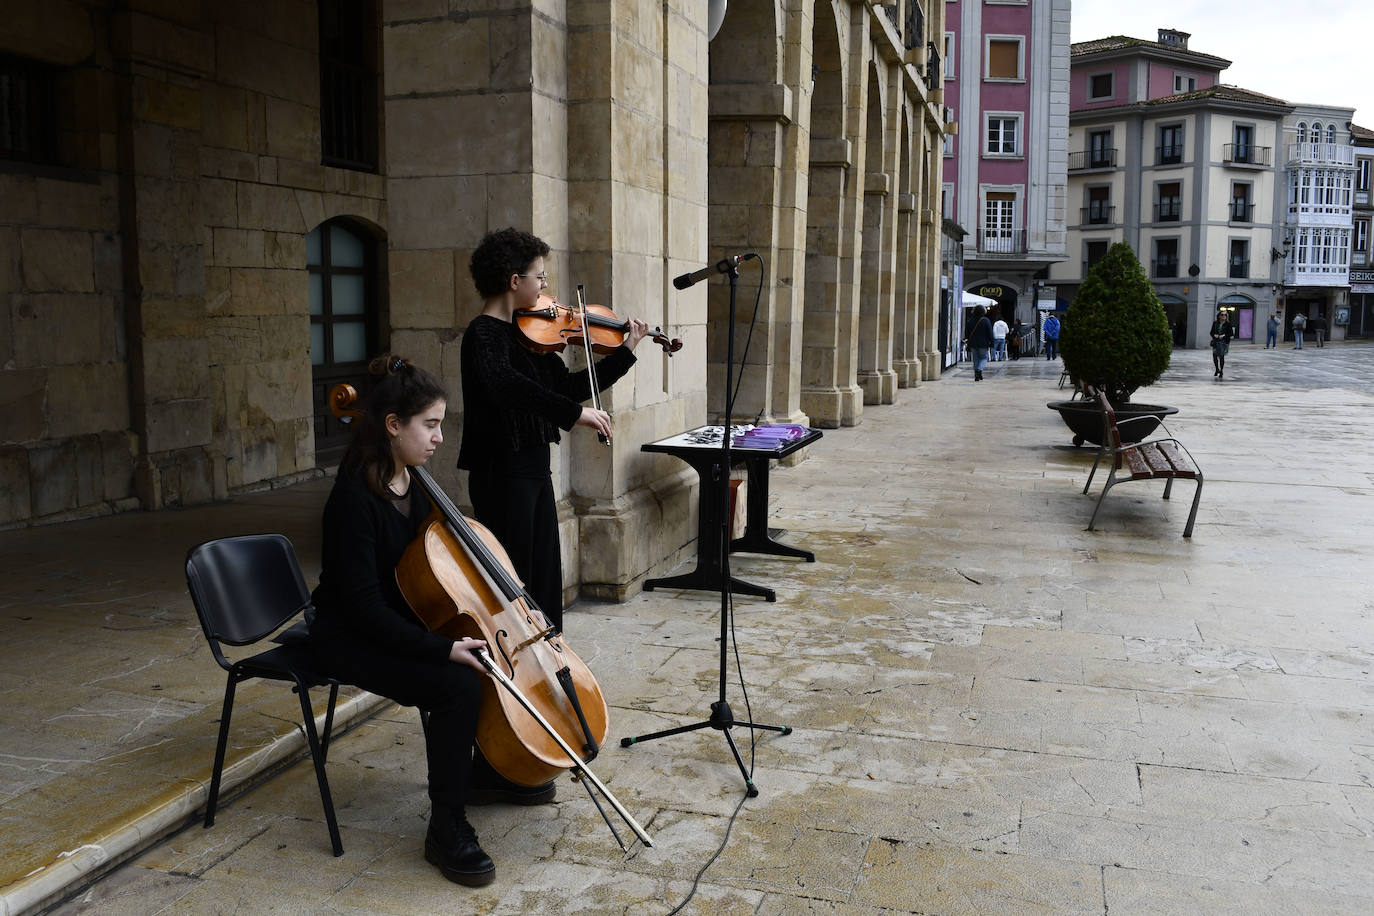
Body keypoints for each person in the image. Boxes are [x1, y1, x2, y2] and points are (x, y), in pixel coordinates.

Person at [309, 355, 499, 887]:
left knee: (474, 661)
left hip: (388, 622)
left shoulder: (412, 484)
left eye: (440, 424)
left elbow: (431, 566)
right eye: (430, 425)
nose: (439, 437)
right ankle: (447, 826)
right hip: (345, 636)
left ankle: (488, 769)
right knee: (457, 682)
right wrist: (439, 648)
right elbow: (364, 609)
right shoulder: (353, 499)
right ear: (393, 426)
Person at [458, 227, 649, 633]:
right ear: (514, 281)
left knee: (544, 575)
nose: (546, 286)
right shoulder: (483, 334)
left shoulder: (529, 336)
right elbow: (505, 385)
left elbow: (571, 388)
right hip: (500, 472)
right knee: (513, 576)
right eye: (539, 277)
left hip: (532, 469)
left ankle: (550, 656)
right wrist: (574, 416)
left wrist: (626, 351)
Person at [966, 305, 994, 381]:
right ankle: (979, 370)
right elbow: (990, 333)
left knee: (975, 359)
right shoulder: (986, 320)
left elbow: (967, 333)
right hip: (983, 343)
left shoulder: (970, 321)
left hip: (973, 343)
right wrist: (992, 342)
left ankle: (977, 374)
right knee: (984, 358)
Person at [1209, 309, 1235, 379]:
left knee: (1221, 357)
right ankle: (1217, 369)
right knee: (1214, 356)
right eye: (1222, 315)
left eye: (1225, 315)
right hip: (1216, 342)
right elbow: (1211, 332)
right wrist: (1215, 335)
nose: (1224, 316)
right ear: (1219, 316)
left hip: (1224, 342)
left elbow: (1231, 334)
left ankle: (1221, 371)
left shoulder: (1228, 324)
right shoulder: (1215, 323)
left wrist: (1224, 335)